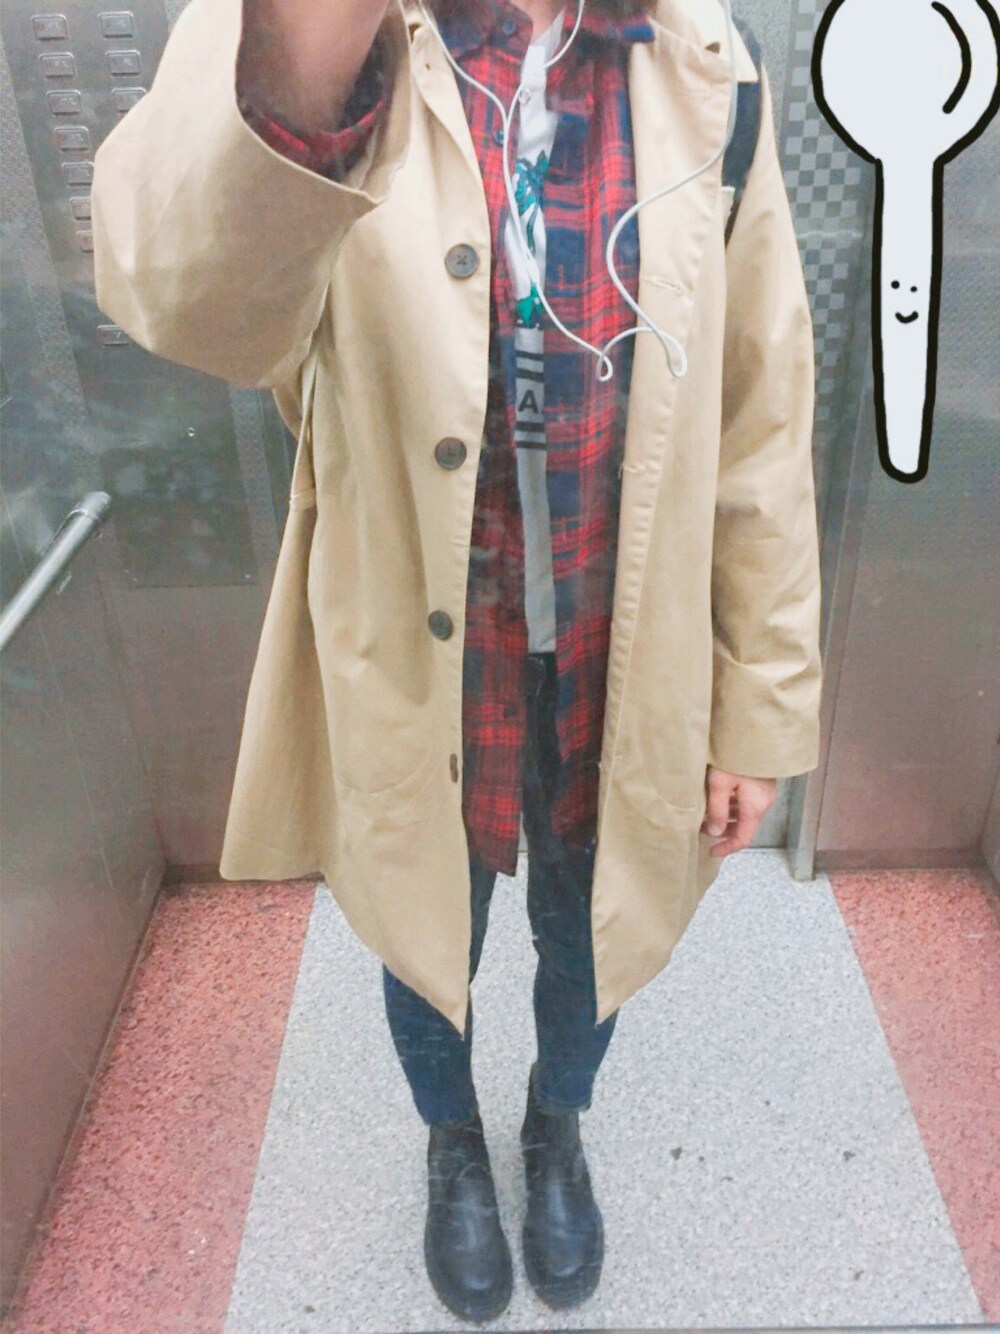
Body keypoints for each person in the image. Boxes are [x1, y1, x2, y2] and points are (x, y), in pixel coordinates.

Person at [91, 0, 823, 1320]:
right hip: (427, 636)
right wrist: (298, 79)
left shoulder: (706, 65)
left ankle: (556, 1123)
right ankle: (451, 1140)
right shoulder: (347, 41)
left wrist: (759, 707)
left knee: (590, 924)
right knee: (428, 920)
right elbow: (185, 303)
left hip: (620, 644)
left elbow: (761, 412)